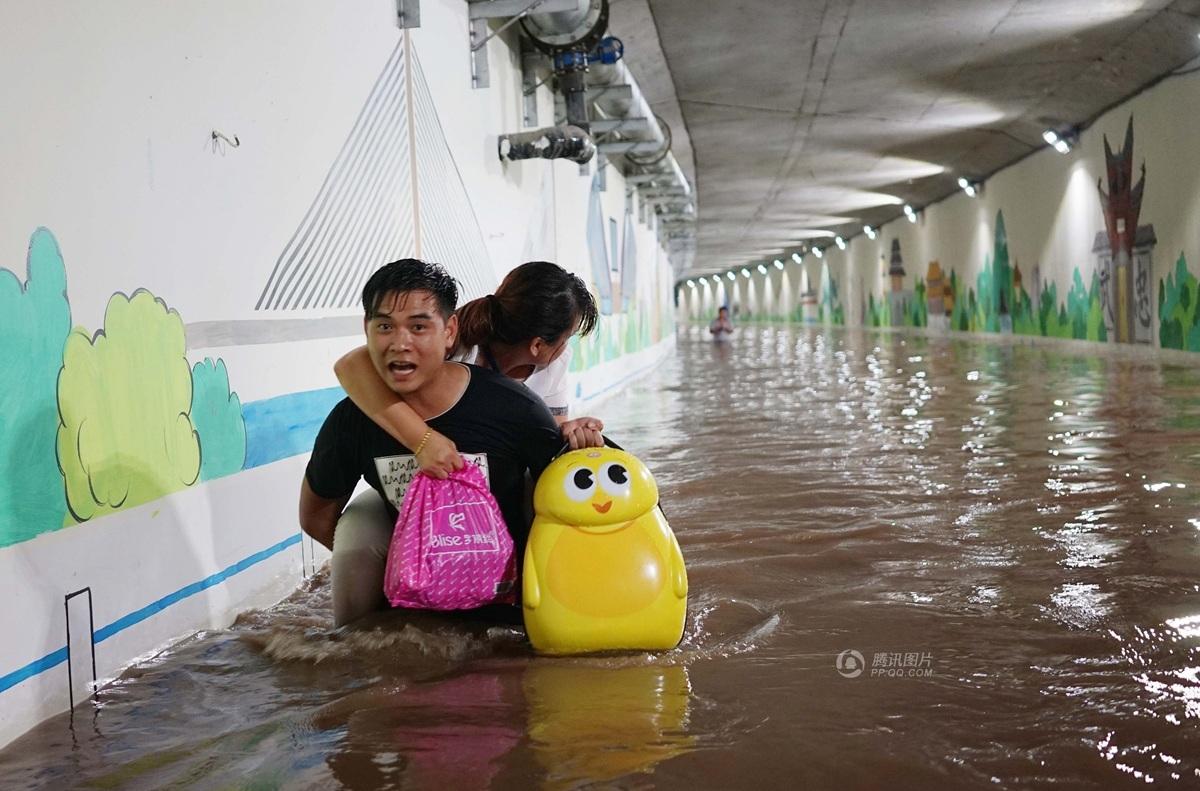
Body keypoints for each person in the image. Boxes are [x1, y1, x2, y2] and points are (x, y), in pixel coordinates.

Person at [300, 259, 564, 626]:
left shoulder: (513, 408)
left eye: (419, 326)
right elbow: (316, 516)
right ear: (367, 330)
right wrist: (410, 565)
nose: (400, 343)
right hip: (413, 608)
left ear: (450, 330)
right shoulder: (351, 421)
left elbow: (568, 498)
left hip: (505, 604)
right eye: (384, 327)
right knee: (357, 532)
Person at [334, 261, 604, 479]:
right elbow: (350, 366)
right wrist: (423, 440)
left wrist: (573, 432)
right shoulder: (456, 343)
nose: (565, 346)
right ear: (537, 345)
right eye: (566, 337)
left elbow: (547, 437)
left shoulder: (554, 363)